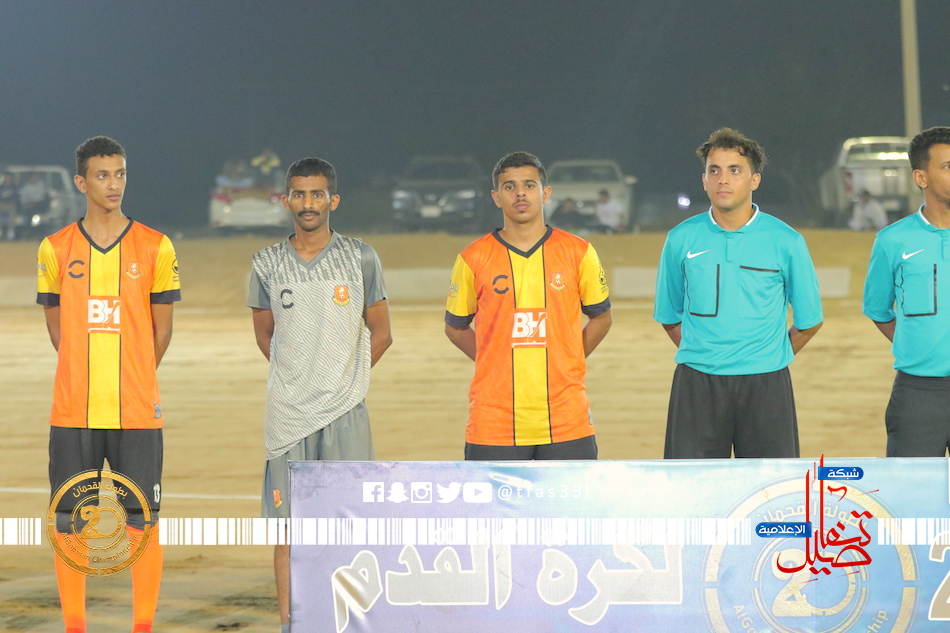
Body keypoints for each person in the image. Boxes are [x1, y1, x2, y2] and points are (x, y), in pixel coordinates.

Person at [37, 136, 180, 633]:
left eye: (120, 174)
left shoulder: (156, 245)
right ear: (81, 182)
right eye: (102, 175)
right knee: (69, 520)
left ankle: (142, 626)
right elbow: (58, 327)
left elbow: (161, 331)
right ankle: (75, 625)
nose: (114, 184)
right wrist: (83, 369)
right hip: (72, 410)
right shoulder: (55, 248)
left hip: (136, 411)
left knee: (142, 520)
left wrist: (132, 373)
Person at [247, 157, 392, 631]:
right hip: (288, 417)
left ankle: (347, 620)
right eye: (299, 194)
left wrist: (341, 381)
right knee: (288, 528)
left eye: (317, 194)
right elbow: (266, 336)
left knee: (349, 523)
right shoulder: (266, 263)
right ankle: (291, 622)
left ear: (334, 200)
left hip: (346, 411)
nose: (308, 203)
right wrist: (301, 380)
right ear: (286, 200)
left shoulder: (361, 257)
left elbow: (382, 332)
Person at [654, 128, 823, 459]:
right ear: (704, 180)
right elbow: (669, 316)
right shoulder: (679, 239)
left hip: (766, 385)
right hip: (697, 385)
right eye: (714, 170)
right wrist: (706, 355)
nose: (723, 179)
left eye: (735, 170)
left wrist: (768, 356)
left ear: (754, 180)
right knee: (691, 485)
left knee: (770, 486)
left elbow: (810, 321)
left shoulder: (787, 240)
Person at [445, 151, 612, 460]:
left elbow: (602, 318)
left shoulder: (579, 251)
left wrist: (568, 358)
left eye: (529, 185)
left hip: (566, 419)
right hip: (494, 421)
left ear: (545, 193)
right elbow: (455, 328)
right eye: (509, 187)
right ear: (496, 197)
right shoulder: (473, 258)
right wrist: (493, 360)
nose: (520, 193)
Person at [863, 126, 950, 456]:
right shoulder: (892, 240)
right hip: (918, 394)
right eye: (948, 166)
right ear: (921, 177)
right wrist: (919, 348)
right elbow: (878, 310)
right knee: (912, 487)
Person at [0, 171, 18, 240]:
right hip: (1, 206)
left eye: (9, 177)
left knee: (12, 212)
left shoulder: (14, 188)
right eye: (6, 177)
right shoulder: (1, 188)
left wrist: (10, 205)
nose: (7, 179)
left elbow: (16, 198)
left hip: (11, 206)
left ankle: (10, 232)